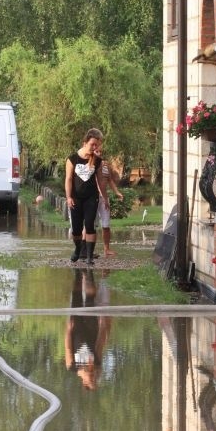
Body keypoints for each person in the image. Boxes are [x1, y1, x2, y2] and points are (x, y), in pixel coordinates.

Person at [64, 268, 111, 390]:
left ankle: (78, 273)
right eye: (95, 379)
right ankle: (88, 271)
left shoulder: (72, 366)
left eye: (91, 380)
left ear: (84, 382)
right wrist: (102, 325)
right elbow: (100, 344)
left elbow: (68, 347)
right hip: (91, 328)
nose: (94, 377)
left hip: (76, 329)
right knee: (90, 298)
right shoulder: (97, 363)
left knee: (76, 298)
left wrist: (68, 330)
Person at [65, 128, 103, 264]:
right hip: (76, 197)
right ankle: (78, 248)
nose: (94, 147)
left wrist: (105, 197)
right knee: (76, 228)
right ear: (84, 143)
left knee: (90, 224)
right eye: (92, 144)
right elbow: (68, 179)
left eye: (97, 145)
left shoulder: (97, 160)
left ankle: (89, 256)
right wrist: (69, 197)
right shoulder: (72, 159)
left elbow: (100, 180)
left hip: (91, 197)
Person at [95, 145, 124, 257]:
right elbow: (96, 182)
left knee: (106, 225)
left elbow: (110, 180)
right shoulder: (90, 165)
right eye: (96, 151)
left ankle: (106, 249)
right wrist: (102, 196)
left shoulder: (105, 164)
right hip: (94, 198)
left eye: (100, 152)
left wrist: (117, 192)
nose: (99, 153)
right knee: (91, 225)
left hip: (104, 198)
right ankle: (87, 249)